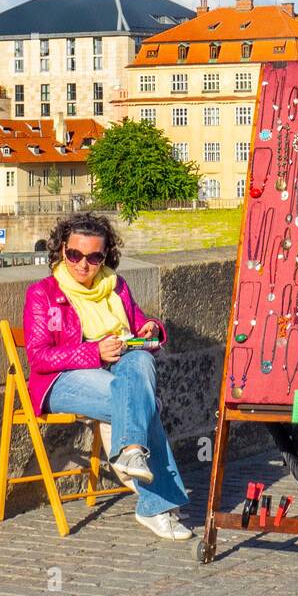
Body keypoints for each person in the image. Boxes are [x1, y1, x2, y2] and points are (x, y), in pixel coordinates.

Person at [23, 213, 192, 540]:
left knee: (140, 358)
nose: (83, 265)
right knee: (142, 402)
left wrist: (151, 330)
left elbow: (144, 332)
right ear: (61, 250)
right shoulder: (42, 293)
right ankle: (155, 500)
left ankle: (135, 461)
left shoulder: (117, 287)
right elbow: (39, 357)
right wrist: (93, 352)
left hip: (118, 369)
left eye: (94, 257)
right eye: (74, 255)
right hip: (63, 379)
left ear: (105, 257)